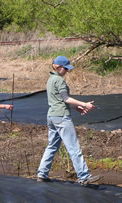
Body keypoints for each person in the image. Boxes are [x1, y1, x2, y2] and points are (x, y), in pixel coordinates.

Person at [37, 56, 101, 185]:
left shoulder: (50, 79)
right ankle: (84, 176)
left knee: (52, 146)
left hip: (52, 116)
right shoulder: (59, 81)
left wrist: (77, 108)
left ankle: (42, 173)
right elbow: (65, 99)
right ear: (59, 67)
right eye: (66, 69)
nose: (67, 71)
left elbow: (59, 100)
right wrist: (84, 104)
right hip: (61, 117)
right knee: (73, 147)